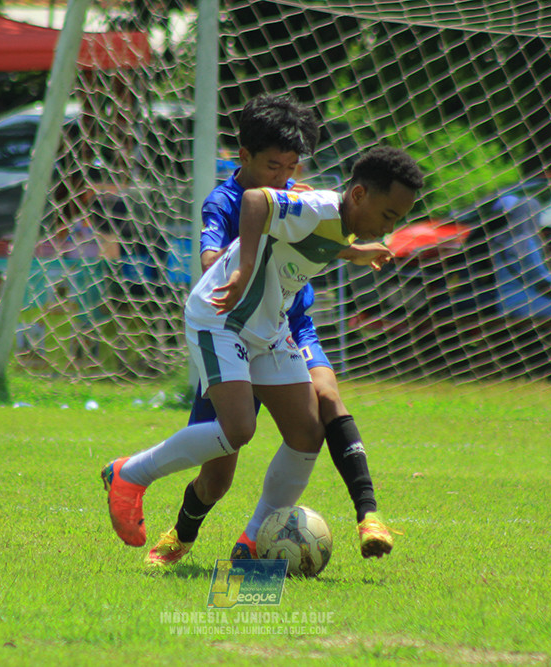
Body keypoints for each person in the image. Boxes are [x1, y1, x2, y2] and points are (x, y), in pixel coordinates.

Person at [101, 146, 424, 556]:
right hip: (221, 317)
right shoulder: (320, 208)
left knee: (307, 433)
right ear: (359, 195)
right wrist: (245, 266)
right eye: (388, 215)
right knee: (238, 430)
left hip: (269, 325)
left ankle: (253, 541)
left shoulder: (340, 221)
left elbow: (314, 239)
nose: (389, 227)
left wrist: (356, 251)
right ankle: (130, 474)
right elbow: (255, 201)